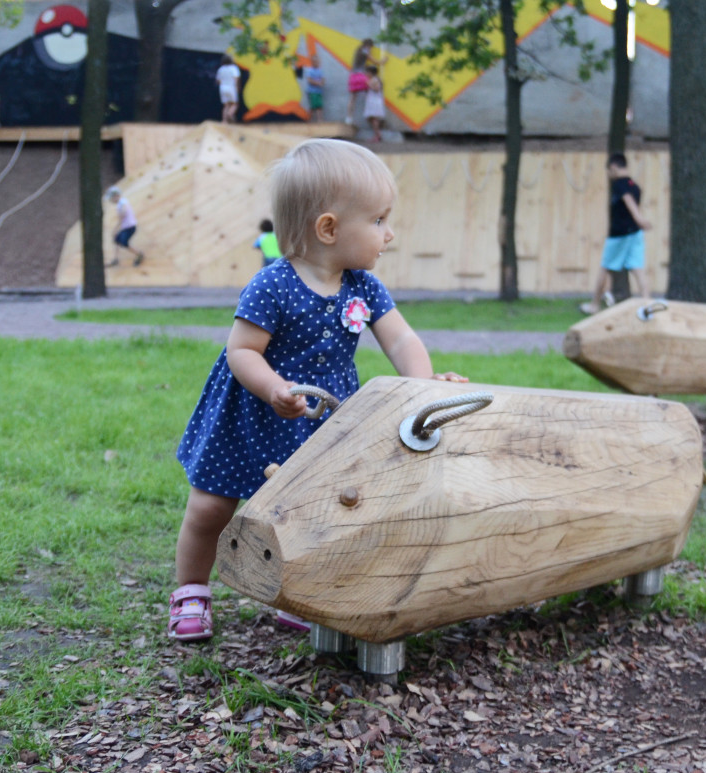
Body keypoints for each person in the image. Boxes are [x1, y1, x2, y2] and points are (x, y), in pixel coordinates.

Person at [169, 138, 467, 641]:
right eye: (377, 221)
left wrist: (422, 385)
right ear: (328, 228)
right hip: (252, 415)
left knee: (310, 512)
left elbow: (401, 337)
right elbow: (242, 352)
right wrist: (273, 389)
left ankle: (297, 591)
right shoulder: (272, 285)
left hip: (323, 421)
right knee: (211, 508)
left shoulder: (364, 287)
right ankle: (191, 593)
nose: (388, 234)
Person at [581, 153, 652, 314]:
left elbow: (629, 203)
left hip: (620, 235)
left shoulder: (620, 185)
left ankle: (594, 305)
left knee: (605, 268)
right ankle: (647, 303)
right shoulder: (635, 185)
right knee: (638, 269)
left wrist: (639, 218)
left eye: (608, 171)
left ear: (613, 167)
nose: (608, 174)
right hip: (635, 234)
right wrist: (639, 222)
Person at [345, 38, 383, 125]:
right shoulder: (365, 50)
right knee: (370, 92)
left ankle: (349, 118)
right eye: (371, 47)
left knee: (352, 98)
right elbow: (374, 61)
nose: (371, 49)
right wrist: (382, 61)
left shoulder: (358, 50)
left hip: (353, 76)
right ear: (368, 45)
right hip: (361, 75)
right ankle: (374, 114)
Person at [105, 187, 143, 267]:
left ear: (116, 196)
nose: (111, 201)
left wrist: (115, 229)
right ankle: (116, 259)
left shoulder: (122, 202)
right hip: (127, 227)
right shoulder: (120, 203)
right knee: (116, 239)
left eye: (111, 199)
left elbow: (123, 213)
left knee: (124, 243)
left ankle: (139, 254)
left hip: (130, 227)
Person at [363, 65, 386, 143]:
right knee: (371, 118)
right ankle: (377, 135)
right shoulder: (372, 79)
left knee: (374, 119)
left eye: (367, 72)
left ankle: (378, 135)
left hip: (375, 102)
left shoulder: (375, 80)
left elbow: (376, 89)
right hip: (372, 101)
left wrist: (369, 84)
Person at [215, 54, 241, 124]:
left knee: (226, 105)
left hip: (222, 87)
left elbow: (218, 81)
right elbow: (236, 79)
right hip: (231, 87)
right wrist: (237, 87)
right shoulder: (233, 68)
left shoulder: (221, 69)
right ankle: (230, 114)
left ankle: (224, 121)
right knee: (234, 104)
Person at [301, 53, 325, 123]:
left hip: (319, 92)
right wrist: (317, 83)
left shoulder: (320, 71)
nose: (317, 63)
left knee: (319, 106)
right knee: (313, 106)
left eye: (318, 62)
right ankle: (308, 119)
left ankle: (320, 120)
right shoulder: (310, 71)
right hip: (312, 92)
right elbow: (309, 80)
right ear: (313, 62)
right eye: (316, 62)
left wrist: (322, 82)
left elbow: (323, 79)